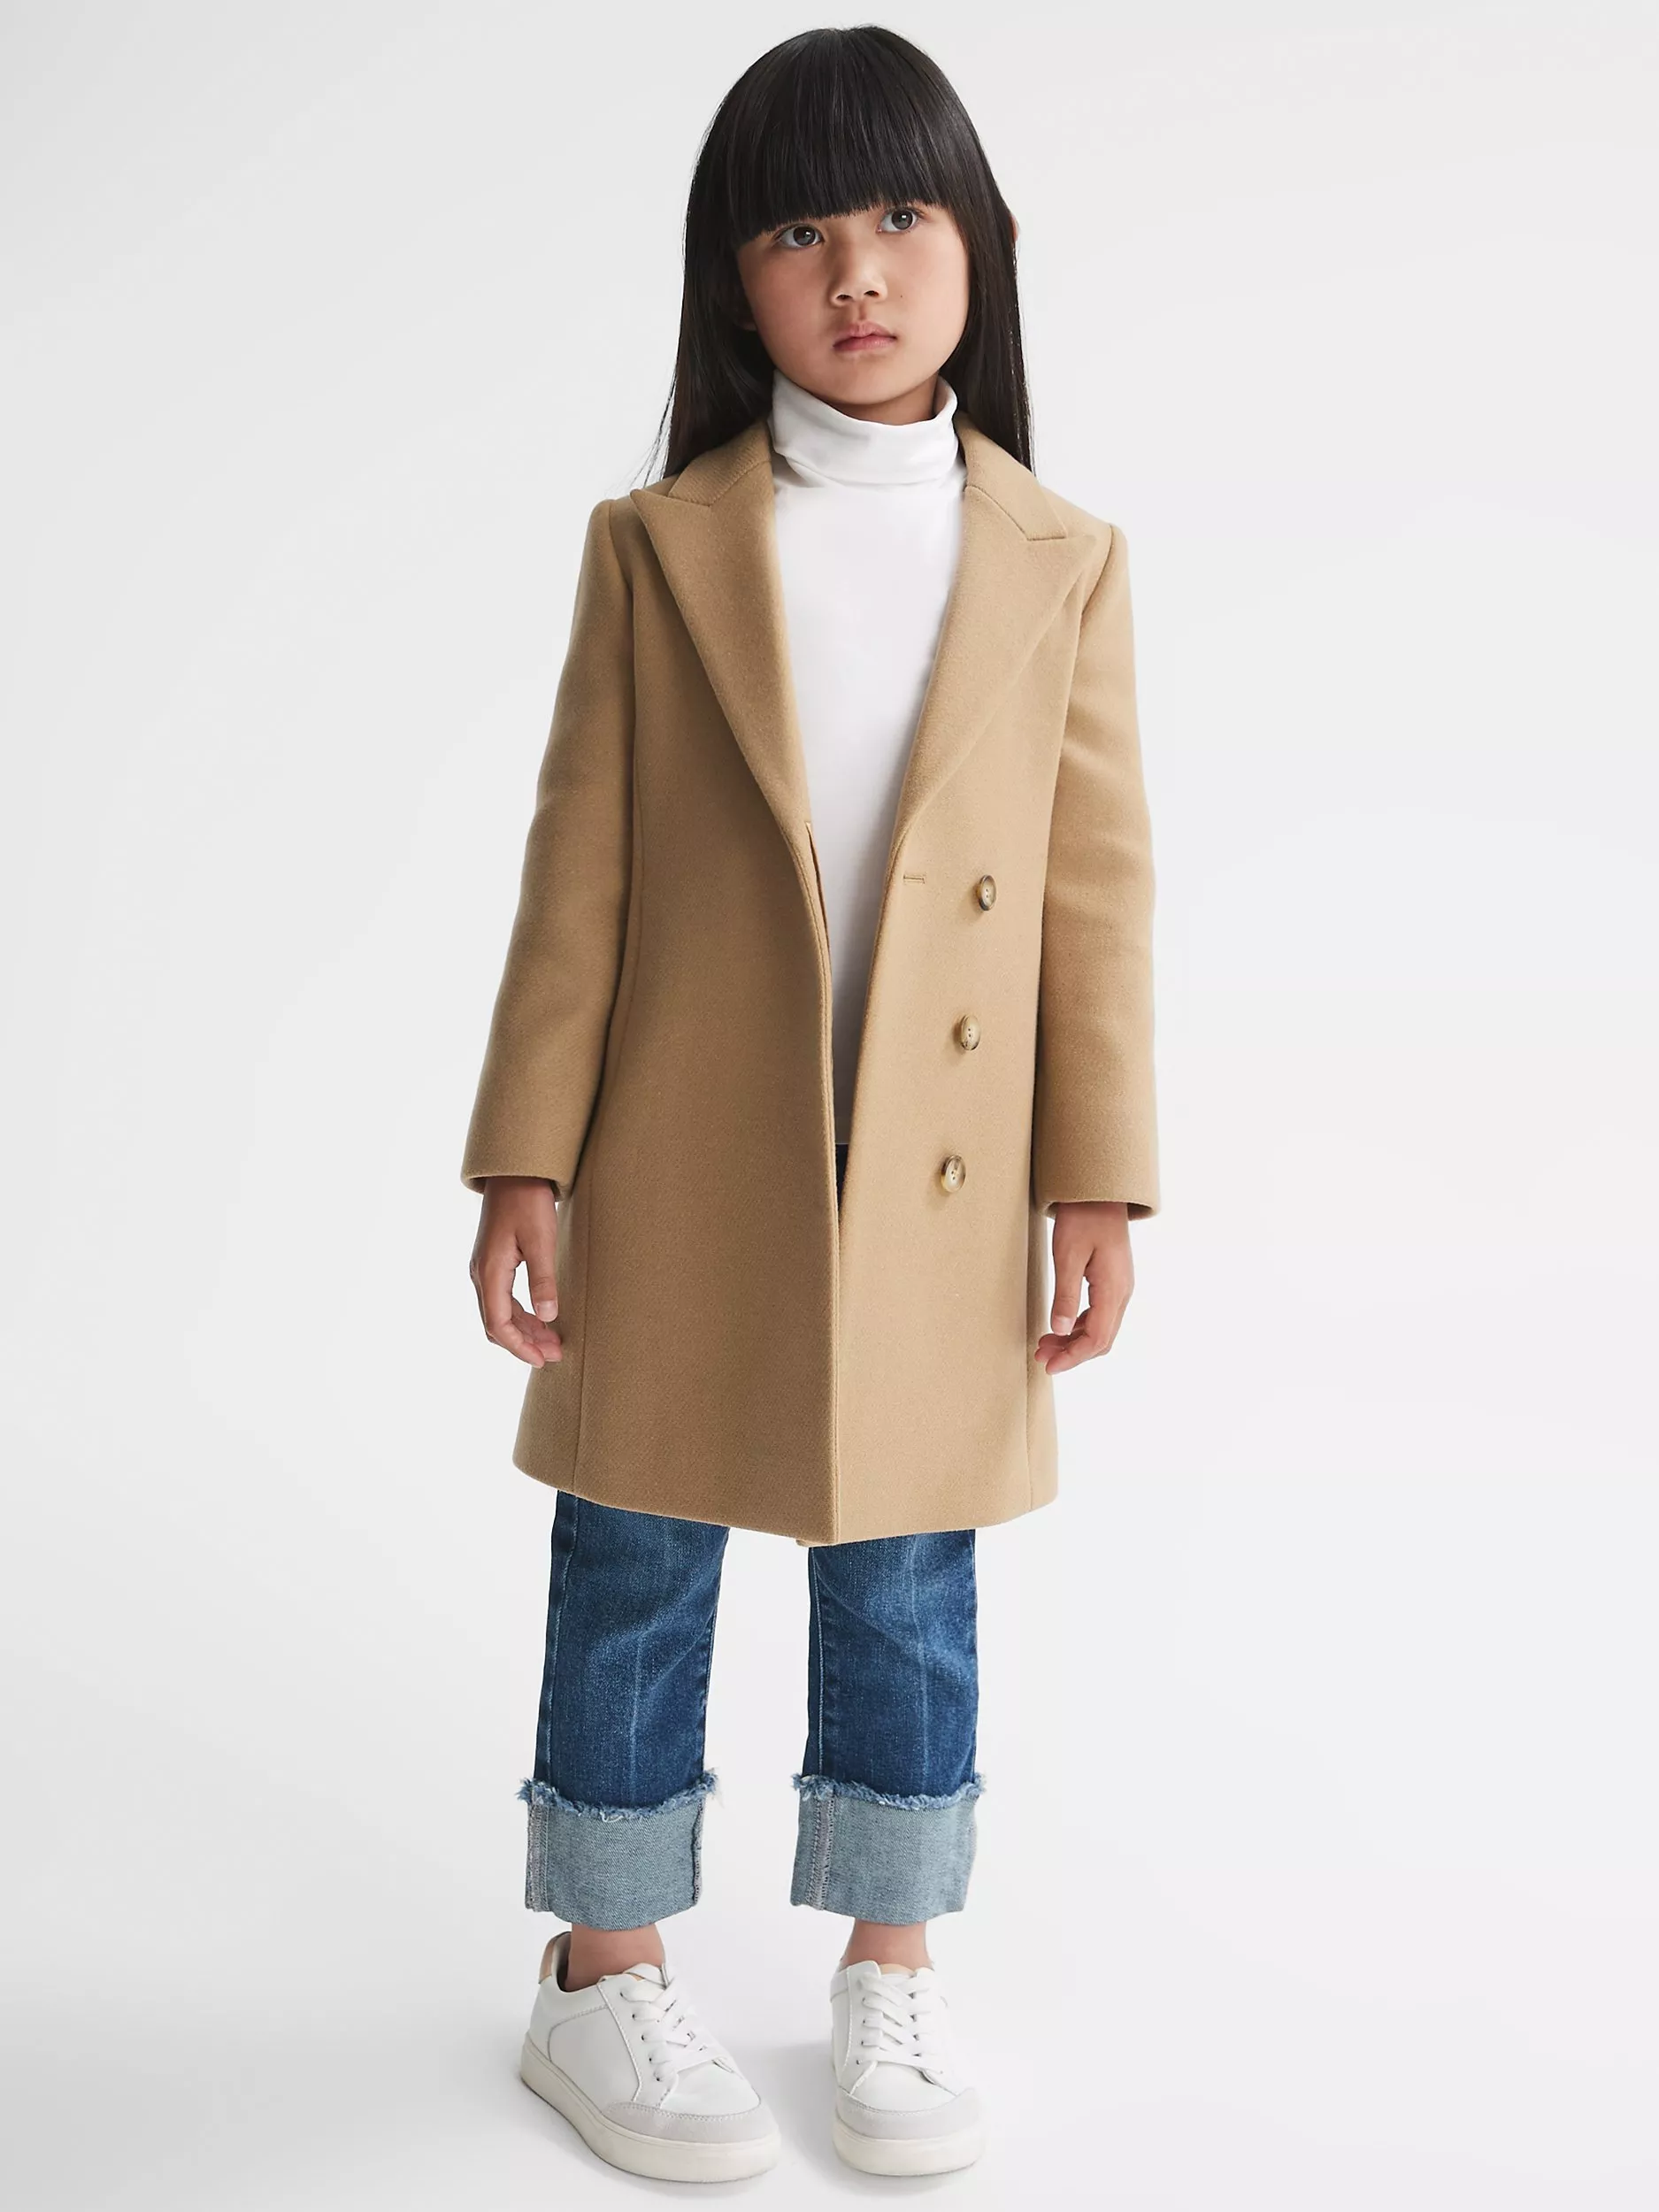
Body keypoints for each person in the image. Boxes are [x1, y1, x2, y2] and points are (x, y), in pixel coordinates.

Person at [461, 24, 1159, 2186]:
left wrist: (1098, 1179)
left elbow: (1091, 894)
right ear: (731, 279)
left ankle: (890, 1959)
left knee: (906, 1574)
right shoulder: (658, 544)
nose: (853, 269)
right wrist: (523, 1150)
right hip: (681, 1147)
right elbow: (578, 868)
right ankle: (601, 1967)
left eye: (898, 213)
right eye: (794, 230)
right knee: (635, 1550)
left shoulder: (1060, 554)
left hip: (938, 1172)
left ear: (978, 247)